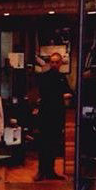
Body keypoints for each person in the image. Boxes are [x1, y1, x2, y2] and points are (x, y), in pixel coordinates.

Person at [33, 51, 71, 180]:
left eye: (56, 62)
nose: (54, 64)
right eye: (52, 62)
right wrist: (60, 95)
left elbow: (70, 92)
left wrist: (59, 95)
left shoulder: (62, 77)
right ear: (50, 63)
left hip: (57, 115)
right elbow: (46, 94)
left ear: (60, 63)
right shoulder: (44, 77)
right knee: (43, 143)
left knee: (54, 144)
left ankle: (50, 171)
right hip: (46, 114)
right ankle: (41, 171)